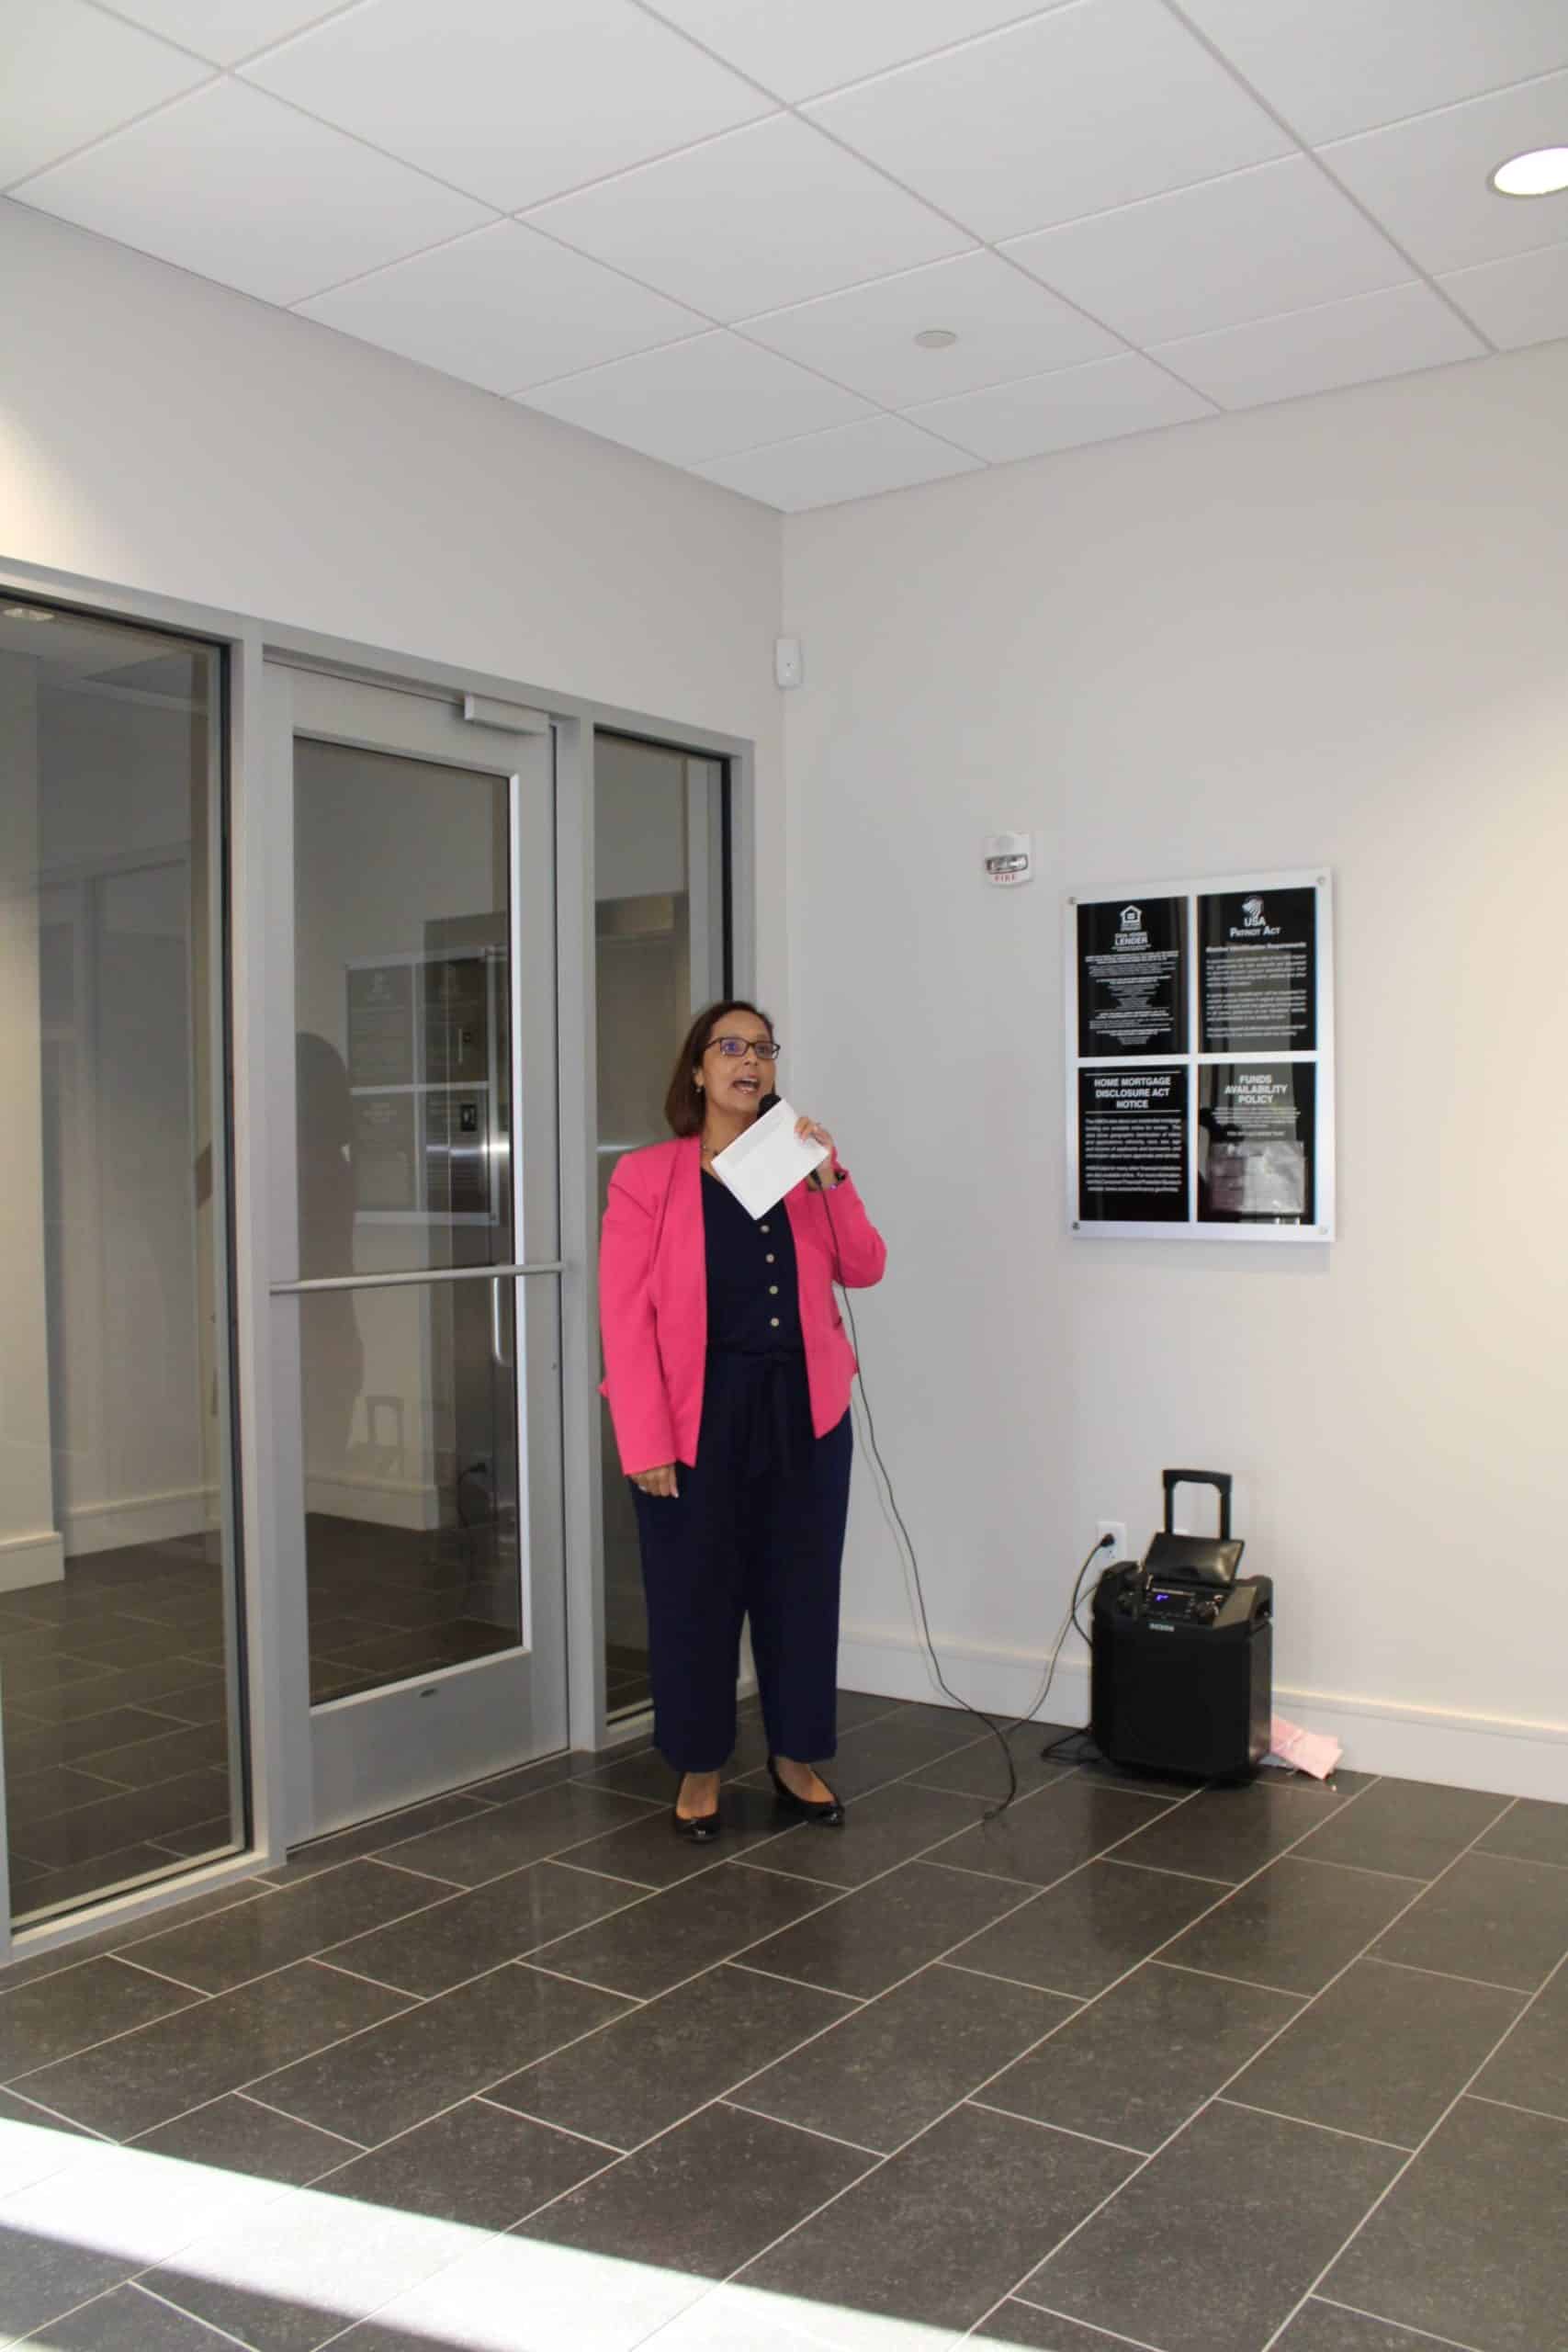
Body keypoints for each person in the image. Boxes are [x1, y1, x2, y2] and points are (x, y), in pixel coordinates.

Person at [598, 1000, 887, 1840]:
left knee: (801, 1593)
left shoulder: (798, 1165)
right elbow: (626, 1320)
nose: (749, 1061)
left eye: (762, 1048)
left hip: (804, 1411)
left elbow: (864, 1267)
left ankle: (795, 1757)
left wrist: (830, 1177)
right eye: (730, 1047)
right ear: (697, 1070)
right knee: (693, 1598)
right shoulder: (647, 1177)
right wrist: (644, 1440)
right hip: (695, 1416)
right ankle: (698, 1767)